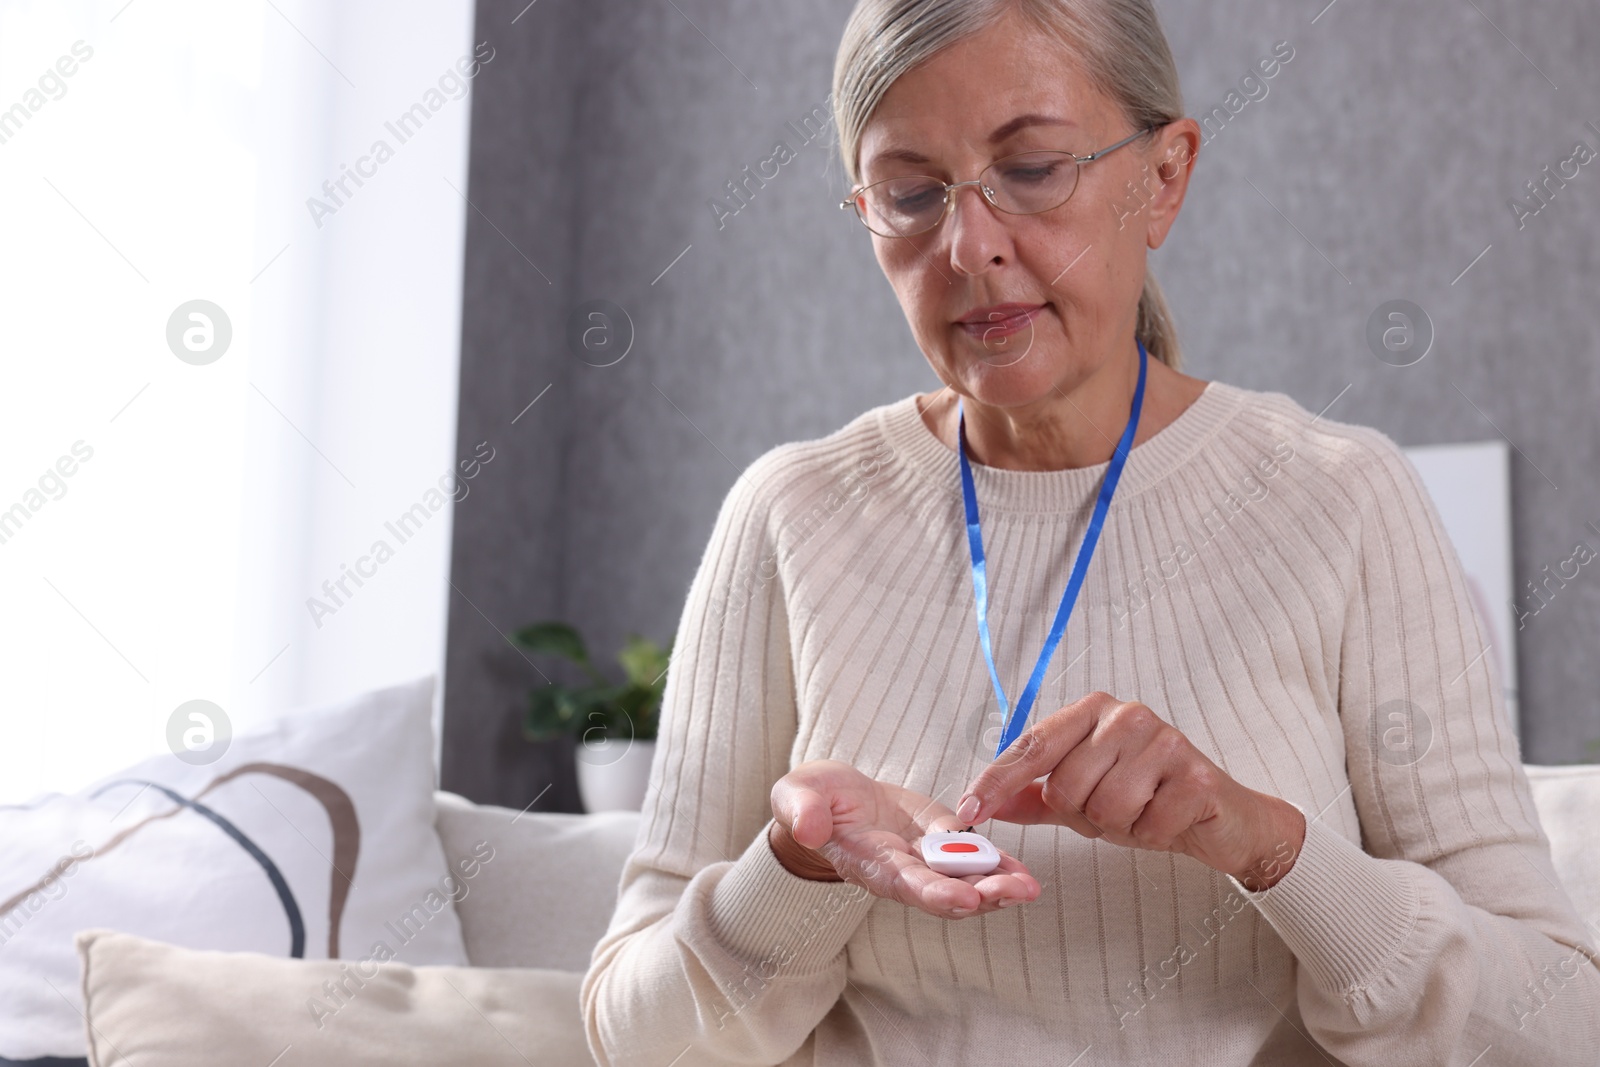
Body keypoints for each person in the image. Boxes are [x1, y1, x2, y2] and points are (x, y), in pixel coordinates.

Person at [581, 1, 1600, 1063]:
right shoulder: (790, 513)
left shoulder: (1344, 498)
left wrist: (1271, 848)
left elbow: (1562, 1026)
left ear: (1163, 177)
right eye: (910, 193)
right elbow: (628, 1036)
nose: (968, 245)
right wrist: (794, 866)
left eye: (1031, 170)